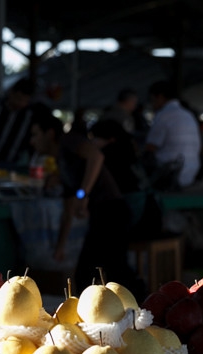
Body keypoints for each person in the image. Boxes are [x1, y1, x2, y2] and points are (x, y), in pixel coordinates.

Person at [31, 110, 146, 300]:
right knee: (94, 273)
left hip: (112, 211)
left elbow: (96, 157)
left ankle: (144, 308)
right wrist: (60, 247)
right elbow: (69, 208)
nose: (32, 141)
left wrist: (83, 194)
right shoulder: (63, 164)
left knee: (111, 272)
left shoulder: (68, 141)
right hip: (101, 214)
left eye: (35, 134)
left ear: (49, 133)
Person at [143, 79, 201, 190]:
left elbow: (150, 147)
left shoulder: (163, 115)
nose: (152, 104)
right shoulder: (188, 115)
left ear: (160, 97)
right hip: (191, 172)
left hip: (171, 175)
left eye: (152, 100)